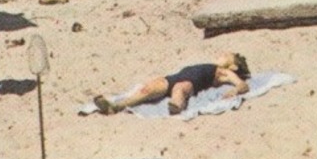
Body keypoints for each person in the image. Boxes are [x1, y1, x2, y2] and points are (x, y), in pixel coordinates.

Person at [94, 52, 249, 116]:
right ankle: (116, 106)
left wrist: (235, 91)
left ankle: (176, 106)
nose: (221, 54)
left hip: (191, 82)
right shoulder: (211, 65)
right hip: (172, 78)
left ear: (233, 66)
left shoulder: (224, 72)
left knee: (180, 90)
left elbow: (242, 85)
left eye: (227, 56)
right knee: (147, 90)